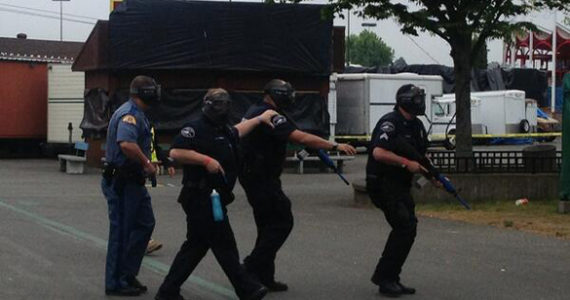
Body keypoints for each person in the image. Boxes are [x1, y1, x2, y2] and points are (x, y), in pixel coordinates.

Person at [155, 88, 276, 300]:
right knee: (224, 245)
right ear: (207, 104)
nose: (222, 108)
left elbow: (238, 130)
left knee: (196, 246)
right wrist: (206, 160)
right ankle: (247, 289)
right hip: (201, 197)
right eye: (217, 103)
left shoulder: (224, 129)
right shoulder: (195, 127)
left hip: (215, 197)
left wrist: (259, 119)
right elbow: (176, 152)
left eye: (225, 103)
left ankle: (168, 291)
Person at [239, 79, 357, 292]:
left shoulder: (256, 109)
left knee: (267, 226)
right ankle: (250, 267)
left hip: (255, 176)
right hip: (262, 178)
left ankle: (264, 276)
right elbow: (299, 136)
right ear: (277, 94)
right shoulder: (270, 115)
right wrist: (334, 145)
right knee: (282, 222)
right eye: (288, 95)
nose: (291, 99)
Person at [365, 84, 441, 297]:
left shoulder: (416, 125)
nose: (420, 102)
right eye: (417, 99)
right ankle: (385, 278)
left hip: (400, 185)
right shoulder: (391, 122)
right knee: (404, 226)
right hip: (382, 183)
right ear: (406, 100)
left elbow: (420, 157)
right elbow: (379, 152)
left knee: (409, 227)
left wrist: (433, 176)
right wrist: (405, 163)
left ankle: (391, 276)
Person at [101, 75, 161, 296]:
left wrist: (148, 160)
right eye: (152, 90)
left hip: (133, 182)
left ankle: (127, 274)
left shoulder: (139, 114)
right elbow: (126, 144)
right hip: (122, 182)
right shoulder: (130, 115)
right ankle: (115, 282)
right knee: (122, 232)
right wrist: (146, 162)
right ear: (143, 93)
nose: (156, 93)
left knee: (145, 223)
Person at [146, 124, 176, 255]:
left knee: (141, 211)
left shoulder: (149, 125)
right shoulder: (130, 120)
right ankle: (143, 241)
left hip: (146, 172)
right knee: (137, 211)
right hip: (130, 174)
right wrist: (145, 163)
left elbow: (154, 148)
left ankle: (142, 241)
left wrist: (167, 163)